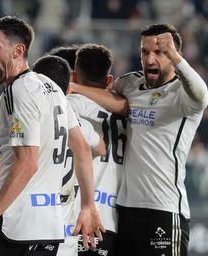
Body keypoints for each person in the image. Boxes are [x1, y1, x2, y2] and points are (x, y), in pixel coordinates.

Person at [0, 16, 104, 256]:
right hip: (48, 228)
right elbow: (82, 148)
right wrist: (88, 206)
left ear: (18, 51)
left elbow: (28, 163)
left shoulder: (20, 90)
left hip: (12, 225)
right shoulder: (52, 89)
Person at [69, 24, 208, 256]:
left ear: (175, 56)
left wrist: (174, 56)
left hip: (163, 208)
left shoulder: (183, 95)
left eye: (160, 52)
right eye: (145, 52)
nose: (150, 59)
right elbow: (118, 102)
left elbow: (202, 94)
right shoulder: (131, 83)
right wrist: (74, 88)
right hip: (125, 210)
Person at [32, 54, 106, 256]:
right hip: (66, 235)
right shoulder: (81, 126)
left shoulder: (31, 119)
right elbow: (101, 148)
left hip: (32, 227)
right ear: (67, 90)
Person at [68, 43, 126, 256]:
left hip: (75, 217)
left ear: (74, 76)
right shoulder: (126, 114)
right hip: (112, 221)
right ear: (109, 80)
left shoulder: (68, 105)